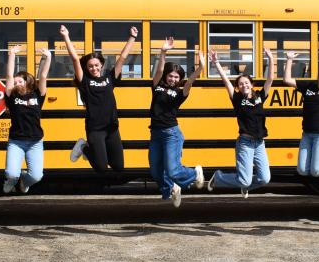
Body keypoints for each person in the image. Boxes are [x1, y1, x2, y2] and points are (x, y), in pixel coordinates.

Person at [61, 25, 137, 174]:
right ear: (86, 68)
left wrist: (132, 37)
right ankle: (84, 147)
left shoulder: (110, 78)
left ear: (102, 65)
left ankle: (94, 152)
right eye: (90, 66)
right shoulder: (84, 81)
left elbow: (122, 58)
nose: (94, 68)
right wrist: (66, 36)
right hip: (95, 129)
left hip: (112, 127)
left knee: (118, 167)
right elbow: (75, 59)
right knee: (101, 168)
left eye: (96, 65)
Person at [206, 48, 276, 198]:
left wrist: (271, 58)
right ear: (238, 87)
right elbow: (226, 80)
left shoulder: (260, 96)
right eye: (240, 84)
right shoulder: (237, 99)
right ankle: (219, 177)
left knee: (265, 178)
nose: (244, 85)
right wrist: (216, 63)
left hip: (259, 143)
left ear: (252, 84)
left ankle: (245, 185)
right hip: (245, 143)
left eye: (246, 83)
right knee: (245, 180)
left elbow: (270, 79)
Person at [149, 37, 205, 207]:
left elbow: (190, 81)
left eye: (176, 77)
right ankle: (173, 188)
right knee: (156, 171)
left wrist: (200, 68)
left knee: (172, 170)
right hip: (155, 133)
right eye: (170, 76)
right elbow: (159, 70)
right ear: (166, 76)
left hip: (171, 134)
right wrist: (163, 52)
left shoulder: (180, 93)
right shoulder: (157, 86)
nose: (173, 79)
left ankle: (195, 174)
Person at [2, 45, 51, 194]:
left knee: (36, 176)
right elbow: (9, 76)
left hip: (35, 142)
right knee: (11, 174)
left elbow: (43, 76)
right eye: (15, 82)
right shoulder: (11, 96)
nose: (17, 84)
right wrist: (11, 54)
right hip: (16, 141)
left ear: (27, 82)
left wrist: (48, 57)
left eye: (20, 81)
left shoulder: (38, 94)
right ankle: (11, 181)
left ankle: (24, 180)